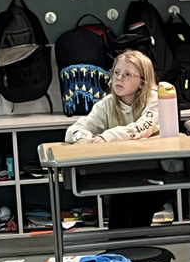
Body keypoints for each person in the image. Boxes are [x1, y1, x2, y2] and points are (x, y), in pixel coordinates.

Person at [65, 50, 163, 228]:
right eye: (116, 73)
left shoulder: (156, 99)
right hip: (122, 173)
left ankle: (137, 250)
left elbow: (142, 127)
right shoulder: (108, 103)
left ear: (143, 81)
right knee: (120, 209)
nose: (119, 78)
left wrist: (107, 136)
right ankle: (117, 253)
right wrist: (84, 138)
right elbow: (76, 129)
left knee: (140, 210)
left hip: (154, 173)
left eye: (127, 74)